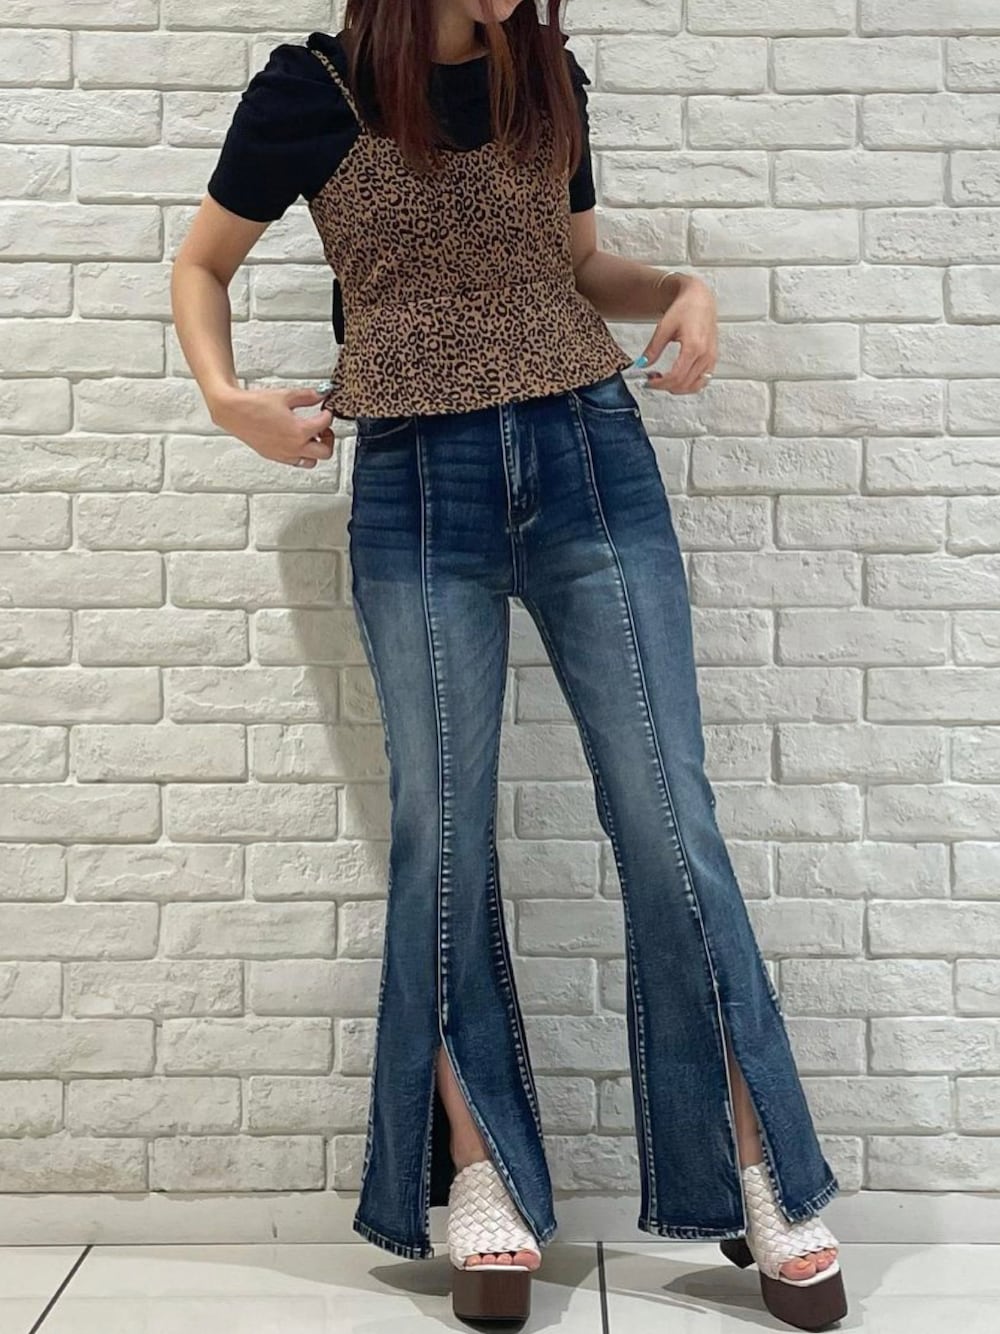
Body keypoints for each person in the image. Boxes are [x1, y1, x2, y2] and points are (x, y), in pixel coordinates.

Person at [171, 1, 848, 1327]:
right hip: (418, 484)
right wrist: (226, 396)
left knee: (669, 819)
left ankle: (760, 1167)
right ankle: (482, 1171)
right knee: (441, 832)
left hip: (593, 456)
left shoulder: (548, 73)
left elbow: (577, 266)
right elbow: (202, 262)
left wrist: (684, 289)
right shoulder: (312, 90)